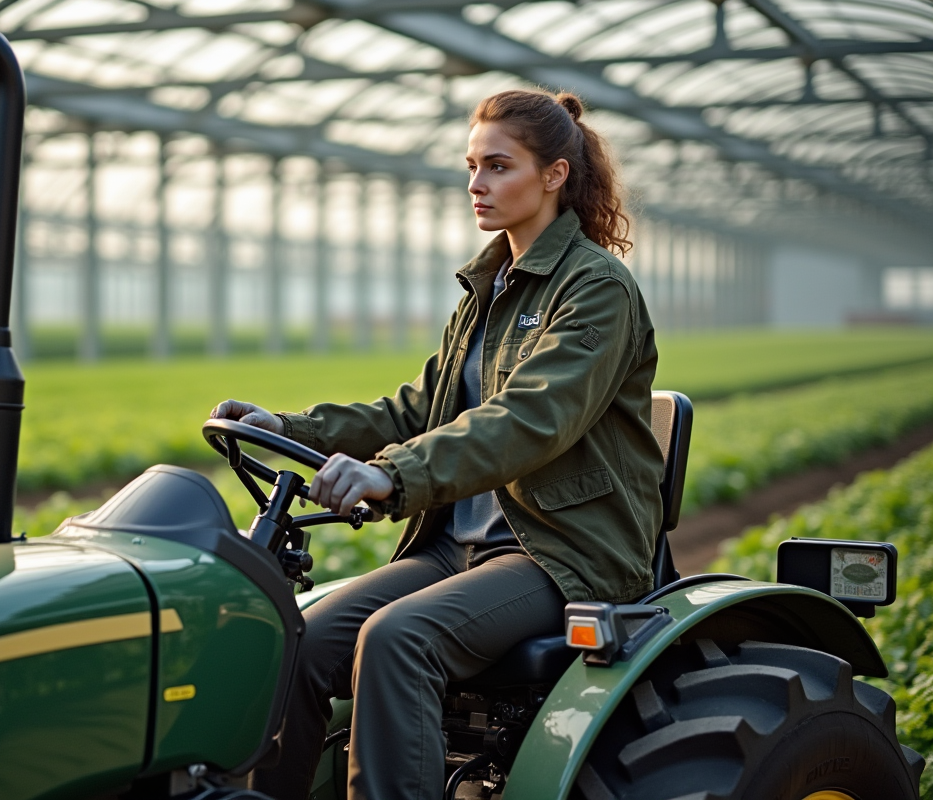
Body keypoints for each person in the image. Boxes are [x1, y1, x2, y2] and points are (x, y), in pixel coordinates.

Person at [211, 88, 662, 800]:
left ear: (554, 176)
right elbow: (416, 409)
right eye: (471, 165)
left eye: (498, 166)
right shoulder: (486, 291)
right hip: (458, 545)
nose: (476, 185)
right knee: (293, 639)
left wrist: (392, 476)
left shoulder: (596, 290)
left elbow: (528, 420)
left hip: (557, 549)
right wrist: (289, 429)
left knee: (399, 639)